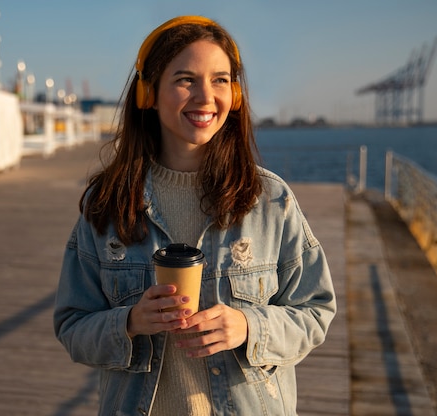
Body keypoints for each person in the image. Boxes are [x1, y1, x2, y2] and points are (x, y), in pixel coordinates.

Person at [54, 15, 336, 416]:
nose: (206, 98)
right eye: (186, 79)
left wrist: (249, 326)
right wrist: (129, 322)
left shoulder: (271, 200)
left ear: (235, 95)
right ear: (148, 93)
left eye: (220, 80)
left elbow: (316, 310)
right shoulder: (109, 203)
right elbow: (72, 325)